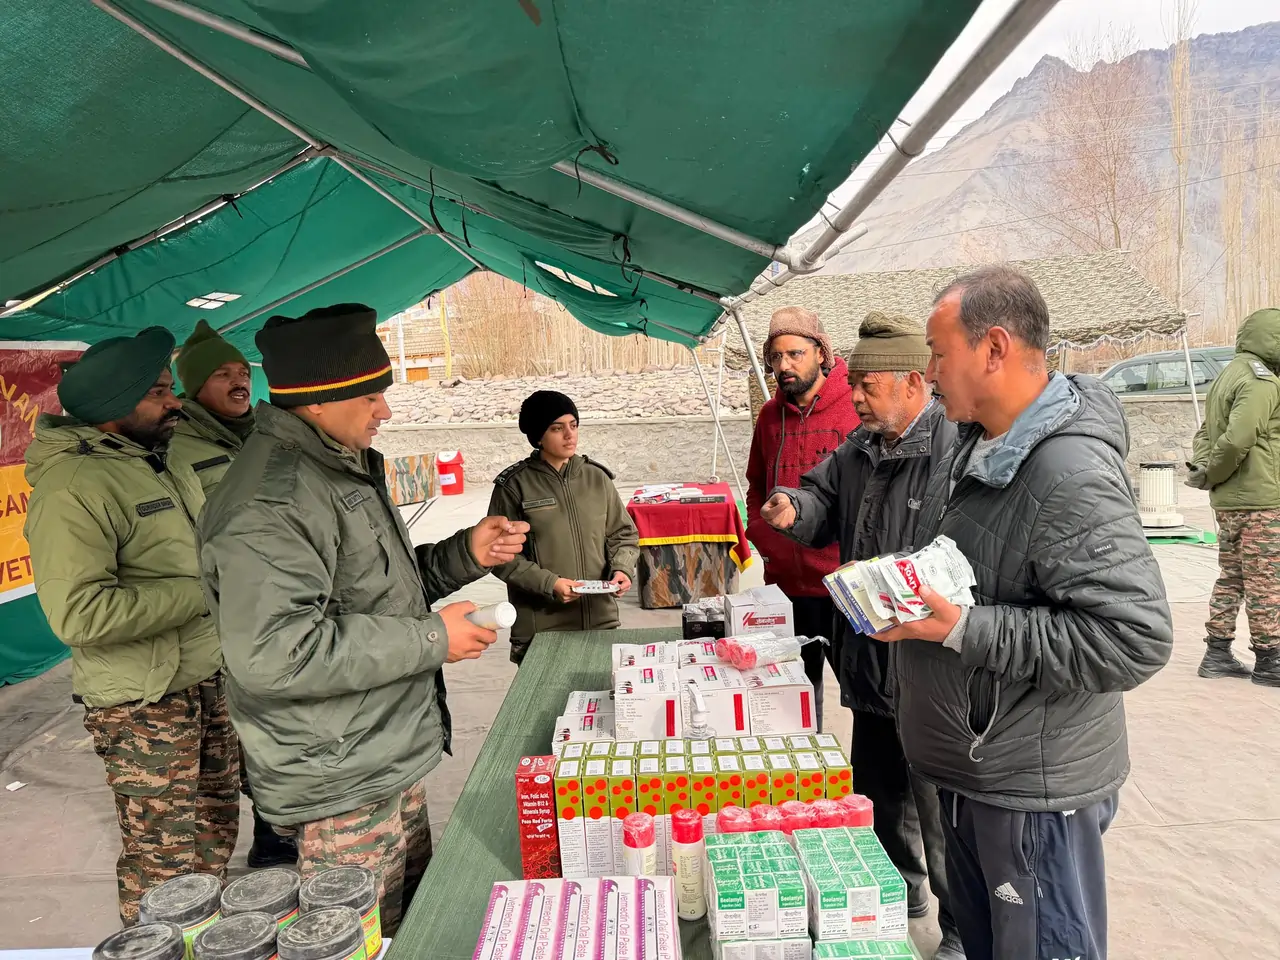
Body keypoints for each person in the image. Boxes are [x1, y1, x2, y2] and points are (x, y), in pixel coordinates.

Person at [196, 303, 530, 935]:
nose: (387, 411)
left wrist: (468, 553)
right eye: (373, 395)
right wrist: (435, 638)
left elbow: (375, 593)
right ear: (320, 400)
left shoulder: (336, 465)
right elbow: (277, 652)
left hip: (381, 752)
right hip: (338, 774)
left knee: (408, 928)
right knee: (354, 938)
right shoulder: (274, 500)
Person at [874, 265, 1173, 960]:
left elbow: (1133, 637)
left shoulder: (1066, 472)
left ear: (995, 348)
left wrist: (962, 629)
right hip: (983, 774)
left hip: (1032, 794)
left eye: (939, 352)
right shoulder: (982, 445)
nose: (929, 371)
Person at [760, 313, 963, 960]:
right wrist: (795, 508)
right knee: (879, 793)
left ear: (912, 382)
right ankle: (901, 898)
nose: (857, 397)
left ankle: (959, 928)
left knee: (942, 811)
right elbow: (821, 498)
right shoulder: (858, 448)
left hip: (932, 667)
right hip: (871, 663)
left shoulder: (955, 449)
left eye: (868, 386)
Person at [23, 327, 237, 925]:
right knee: (163, 864)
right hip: (143, 702)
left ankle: (206, 940)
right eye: (159, 392)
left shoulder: (158, 462)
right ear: (117, 404)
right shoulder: (74, 488)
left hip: (204, 678)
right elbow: (79, 614)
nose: (174, 402)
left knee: (213, 837)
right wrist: (203, 592)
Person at [168, 320, 297, 869]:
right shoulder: (181, 448)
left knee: (280, 738)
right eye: (222, 374)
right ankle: (269, 852)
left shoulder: (267, 436)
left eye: (242, 372)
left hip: (283, 605)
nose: (238, 381)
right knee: (241, 751)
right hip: (230, 618)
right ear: (192, 387)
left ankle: (281, 839)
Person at [745, 306, 859, 729]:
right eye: (775, 358)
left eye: (795, 354)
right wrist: (760, 532)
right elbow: (756, 481)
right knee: (795, 702)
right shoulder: (769, 417)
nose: (784, 366)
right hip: (786, 588)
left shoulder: (853, 410)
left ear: (821, 353)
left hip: (841, 586)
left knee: (864, 699)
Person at [487, 390, 641, 665]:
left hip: (599, 619)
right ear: (538, 436)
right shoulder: (514, 486)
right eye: (557, 428)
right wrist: (550, 584)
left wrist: (622, 568)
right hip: (542, 628)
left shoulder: (597, 478)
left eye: (574, 425)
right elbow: (500, 557)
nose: (570, 435)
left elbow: (623, 534)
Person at [1186, 306, 1280, 687]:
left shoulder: (1228, 375)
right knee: (1267, 580)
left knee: (1233, 576)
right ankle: (1270, 659)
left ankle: (1218, 652)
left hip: (1229, 502)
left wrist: (1208, 474)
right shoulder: (1262, 381)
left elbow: (1205, 435)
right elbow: (1240, 438)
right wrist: (1214, 472)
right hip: (1261, 498)